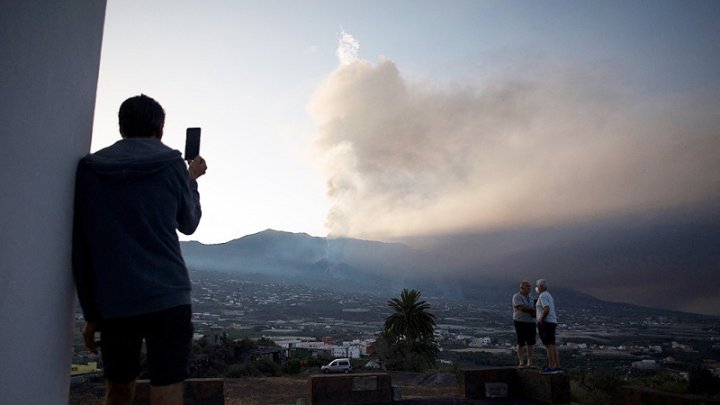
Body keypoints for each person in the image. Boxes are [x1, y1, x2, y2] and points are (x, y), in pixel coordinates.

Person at [72, 94, 207, 405]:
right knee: (167, 391)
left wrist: (91, 312)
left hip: (116, 300)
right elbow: (188, 222)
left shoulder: (91, 169)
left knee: (117, 390)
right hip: (168, 297)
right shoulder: (172, 163)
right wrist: (192, 180)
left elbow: (82, 246)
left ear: (121, 127)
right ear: (160, 129)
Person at [535, 279, 561, 374]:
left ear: (541, 286)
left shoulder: (542, 296)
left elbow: (546, 309)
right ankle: (557, 366)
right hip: (552, 322)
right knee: (552, 344)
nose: (536, 288)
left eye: (537, 286)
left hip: (546, 323)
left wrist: (541, 320)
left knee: (548, 346)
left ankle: (552, 366)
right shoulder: (549, 295)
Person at [512, 280, 536, 368]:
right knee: (521, 342)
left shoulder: (531, 297)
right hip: (520, 321)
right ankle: (521, 362)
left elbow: (532, 308)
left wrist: (532, 310)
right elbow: (521, 307)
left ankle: (530, 362)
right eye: (527, 286)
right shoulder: (516, 296)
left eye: (530, 286)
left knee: (531, 343)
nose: (529, 288)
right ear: (521, 287)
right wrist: (532, 310)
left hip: (530, 322)